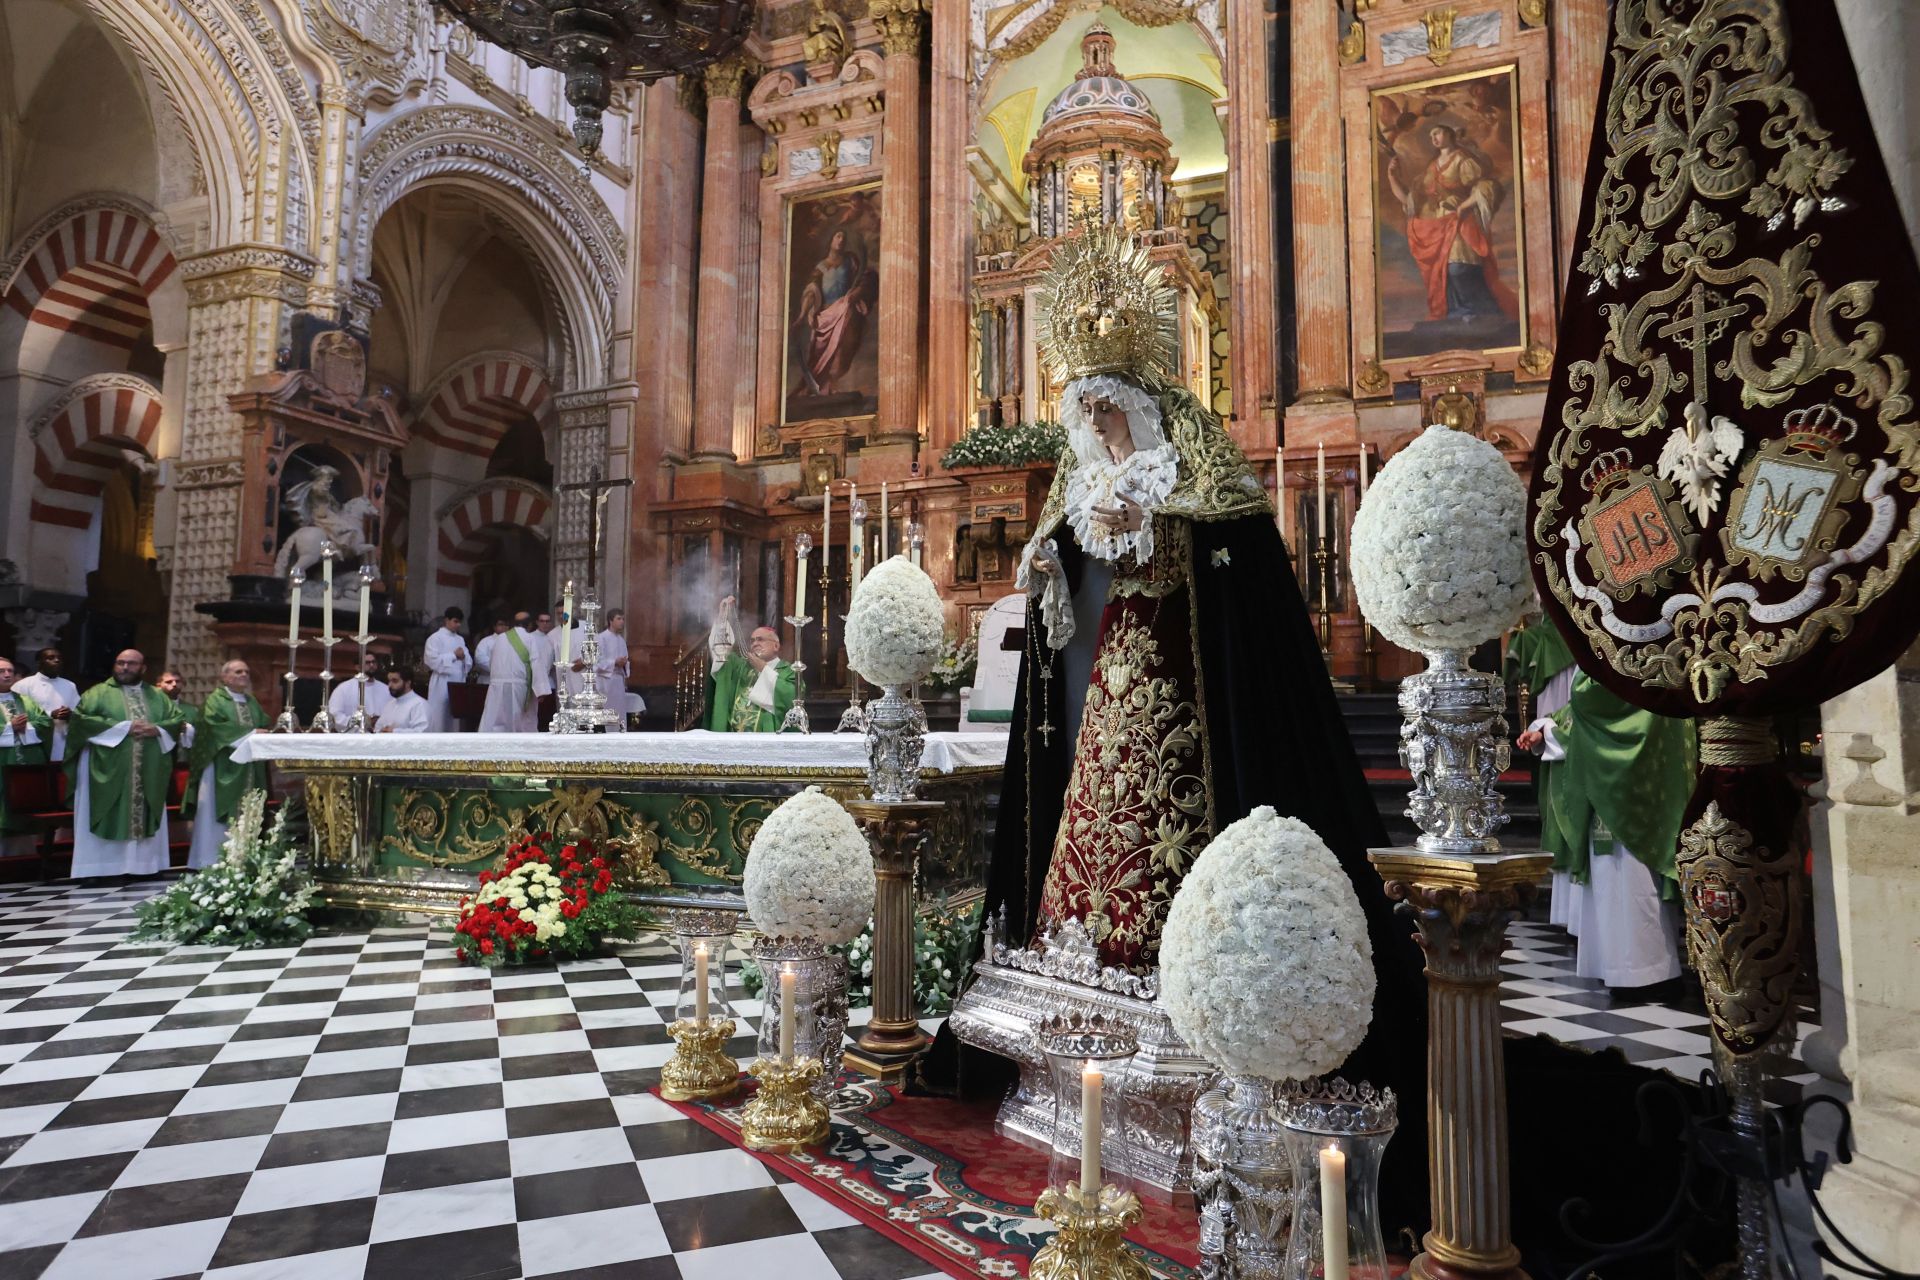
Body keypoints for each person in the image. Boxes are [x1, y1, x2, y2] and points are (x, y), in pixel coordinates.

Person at [933, 224, 1427, 1229]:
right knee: (1095, 826)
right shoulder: (1085, 474)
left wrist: (1152, 535)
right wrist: (1053, 563)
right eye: (1092, 414)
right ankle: (1082, 998)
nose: (1103, 430)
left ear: (1144, 403)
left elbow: (1226, 570)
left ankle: (1194, 996)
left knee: (1165, 824)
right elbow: (1063, 563)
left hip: (1182, 697)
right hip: (1111, 685)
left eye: (1114, 413)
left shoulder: (1193, 463)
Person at [1518, 670, 1695, 990]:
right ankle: (1633, 967)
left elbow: (1597, 704)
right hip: (1633, 777)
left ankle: (1644, 972)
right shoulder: (1635, 654)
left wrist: (1553, 729)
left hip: (1626, 781)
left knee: (1628, 873)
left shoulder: (1627, 655)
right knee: (1622, 877)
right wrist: (1548, 728)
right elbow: (1588, 703)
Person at [67, 649, 189, 881]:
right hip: (108, 769)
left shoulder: (158, 696)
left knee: (143, 810)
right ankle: (98, 868)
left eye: (131, 664)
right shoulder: (97, 693)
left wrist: (157, 729)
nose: (125, 668)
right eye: (120, 663)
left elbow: (175, 720)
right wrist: (124, 728)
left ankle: (143, 866)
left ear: (143, 668)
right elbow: (81, 721)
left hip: (148, 768)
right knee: (108, 809)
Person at [1387, 123, 1518, 324]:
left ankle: (1479, 310)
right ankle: (1457, 313)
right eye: (1431, 134)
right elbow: (1411, 200)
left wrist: (1464, 205)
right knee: (1443, 272)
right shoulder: (1431, 167)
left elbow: (1487, 186)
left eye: (1437, 132)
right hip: (1438, 223)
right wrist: (1392, 177)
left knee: (1459, 267)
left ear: (1449, 135)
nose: (1434, 138)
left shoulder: (1462, 160)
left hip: (1460, 222)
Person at [184, 659, 268, 869]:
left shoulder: (251, 701)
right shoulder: (215, 700)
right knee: (214, 815)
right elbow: (213, 727)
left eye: (246, 672)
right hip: (221, 767)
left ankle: (244, 859)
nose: (244, 675)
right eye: (238, 671)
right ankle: (210, 860)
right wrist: (250, 734)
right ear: (224, 677)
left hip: (248, 766)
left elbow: (263, 723)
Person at [706, 597, 800, 732]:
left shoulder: (789, 671)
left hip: (767, 741)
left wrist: (763, 668)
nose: (755, 643)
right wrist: (722, 618)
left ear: (776, 646)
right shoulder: (741, 666)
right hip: (735, 739)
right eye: (752, 641)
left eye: (760, 639)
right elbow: (721, 654)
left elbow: (792, 698)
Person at [0, 657, 52, 855]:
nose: (7, 675)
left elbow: (46, 723)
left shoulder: (26, 701)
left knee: (25, 811)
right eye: (2, 671)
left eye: (10, 671)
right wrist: (9, 728)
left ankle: (24, 859)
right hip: (2, 765)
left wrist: (25, 727)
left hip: (26, 767)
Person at [479, 611, 550, 732]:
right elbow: (536, 663)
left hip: (497, 686)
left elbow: (492, 662)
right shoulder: (530, 638)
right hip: (519, 687)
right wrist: (541, 689)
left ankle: (492, 745)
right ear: (529, 625)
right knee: (518, 720)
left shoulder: (500, 638)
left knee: (495, 718)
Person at [15, 647, 78, 762]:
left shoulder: (70, 685)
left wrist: (70, 714)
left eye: (59, 658)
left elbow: (79, 711)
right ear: (39, 662)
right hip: (33, 740)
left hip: (60, 737)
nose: (57, 660)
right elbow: (16, 714)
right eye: (51, 658)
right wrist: (49, 714)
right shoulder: (24, 685)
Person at [423, 607, 472, 731]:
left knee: (454, 719)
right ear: (446, 620)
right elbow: (430, 660)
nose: (458, 625)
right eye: (455, 621)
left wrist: (464, 657)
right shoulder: (435, 638)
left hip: (458, 682)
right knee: (439, 717)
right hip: (441, 682)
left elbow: (468, 661)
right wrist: (453, 656)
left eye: (460, 622)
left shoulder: (460, 639)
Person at [597, 608, 643, 729]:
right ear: (610, 621)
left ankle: (620, 732)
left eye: (623, 619)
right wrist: (614, 662)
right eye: (619, 618)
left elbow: (625, 660)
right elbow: (597, 662)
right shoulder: (601, 638)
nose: (622, 621)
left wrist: (624, 663)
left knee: (619, 713)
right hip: (606, 681)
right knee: (608, 712)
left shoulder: (621, 640)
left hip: (618, 680)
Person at [327, 652, 392, 728]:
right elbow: (334, 715)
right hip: (354, 734)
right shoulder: (343, 688)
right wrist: (361, 723)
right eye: (367, 663)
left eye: (373, 662)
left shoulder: (385, 689)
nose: (371, 665)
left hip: (381, 735)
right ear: (357, 667)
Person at [378, 666, 431, 734]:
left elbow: (423, 732)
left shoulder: (420, 704)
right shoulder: (390, 704)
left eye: (395, 681)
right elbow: (378, 727)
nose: (390, 685)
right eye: (389, 681)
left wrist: (395, 732)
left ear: (408, 683)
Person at [157, 670, 196, 752]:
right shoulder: (151, 707)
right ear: (159, 685)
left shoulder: (191, 709)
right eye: (169, 682)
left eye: (177, 681)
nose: (174, 684)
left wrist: (189, 730)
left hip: (183, 757)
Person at [473, 619, 510, 685]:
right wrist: (498, 668)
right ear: (494, 627)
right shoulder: (486, 641)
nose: (504, 627)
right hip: (487, 679)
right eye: (501, 624)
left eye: (506, 625)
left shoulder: (512, 642)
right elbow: (479, 658)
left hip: (506, 680)